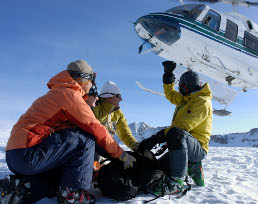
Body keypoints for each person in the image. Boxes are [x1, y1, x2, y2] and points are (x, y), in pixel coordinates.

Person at [0, 60, 136, 204]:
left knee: (62, 173)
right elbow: (97, 130)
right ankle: (72, 193)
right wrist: (120, 154)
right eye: (92, 80)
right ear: (84, 79)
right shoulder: (70, 96)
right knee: (86, 138)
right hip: (28, 154)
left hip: (17, 156)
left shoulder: (58, 93)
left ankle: (22, 188)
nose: (92, 86)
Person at [138, 61, 213, 195]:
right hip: (182, 145)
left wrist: (157, 137)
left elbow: (183, 127)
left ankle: (177, 182)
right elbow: (171, 95)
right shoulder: (186, 99)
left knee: (176, 132)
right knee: (159, 167)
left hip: (197, 148)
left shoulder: (203, 102)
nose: (181, 91)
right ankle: (191, 165)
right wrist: (168, 76)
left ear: (185, 87)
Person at [91, 81, 153, 166]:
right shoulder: (94, 109)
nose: (121, 99)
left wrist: (135, 146)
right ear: (109, 96)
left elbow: (125, 134)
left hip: (108, 149)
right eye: (118, 96)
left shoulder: (118, 113)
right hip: (93, 149)